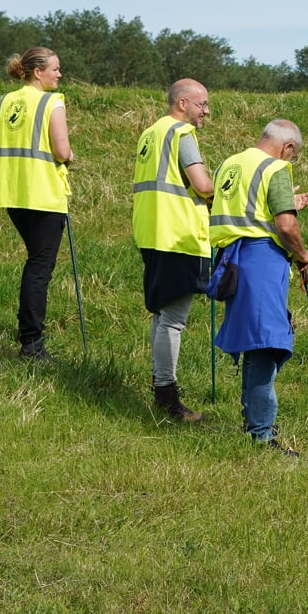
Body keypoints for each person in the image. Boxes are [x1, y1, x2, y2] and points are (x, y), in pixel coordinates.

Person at [210, 119, 308, 455]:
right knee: (265, 345)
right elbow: (285, 227)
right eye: (294, 156)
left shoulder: (230, 163)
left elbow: (246, 210)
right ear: (287, 147)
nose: (291, 162)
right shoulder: (275, 168)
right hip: (260, 260)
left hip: (231, 260)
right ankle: (261, 434)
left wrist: (288, 203)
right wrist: (302, 253)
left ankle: (254, 421)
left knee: (255, 342)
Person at [133, 80, 216, 424]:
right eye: (203, 105)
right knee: (173, 319)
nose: (207, 112)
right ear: (183, 104)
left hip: (151, 231)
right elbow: (202, 185)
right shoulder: (181, 134)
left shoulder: (151, 133)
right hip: (178, 234)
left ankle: (162, 391)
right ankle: (167, 398)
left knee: (161, 313)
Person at [0, 46, 74, 360]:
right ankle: (31, 342)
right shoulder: (51, 101)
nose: (59, 74)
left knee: (35, 263)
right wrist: (70, 157)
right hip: (43, 194)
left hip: (13, 192)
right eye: (54, 69)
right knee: (40, 267)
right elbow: (62, 150)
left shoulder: (5, 102)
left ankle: (30, 334)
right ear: (37, 72)